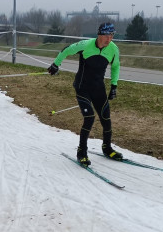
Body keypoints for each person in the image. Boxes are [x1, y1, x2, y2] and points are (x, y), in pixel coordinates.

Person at [48, 22, 122, 166]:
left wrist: (114, 85)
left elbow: (116, 66)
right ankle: (82, 152)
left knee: (106, 118)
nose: (109, 39)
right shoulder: (86, 45)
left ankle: (107, 148)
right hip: (82, 88)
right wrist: (56, 64)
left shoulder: (113, 49)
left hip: (99, 89)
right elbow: (66, 50)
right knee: (89, 118)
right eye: (107, 35)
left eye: (112, 35)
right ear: (99, 35)